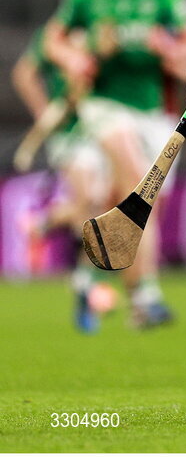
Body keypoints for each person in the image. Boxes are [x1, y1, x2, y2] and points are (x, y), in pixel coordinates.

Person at [44, 0, 186, 329]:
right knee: (138, 183)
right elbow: (52, 41)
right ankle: (147, 295)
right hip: (104, 109)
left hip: (151, 113)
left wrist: (168, 47)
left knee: (133, 202)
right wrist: (76, 58)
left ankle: (91, 282)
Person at [11, 24, 112, 332]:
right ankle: (85, 289)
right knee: (87, 201)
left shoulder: (103, 32)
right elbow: (24, 73)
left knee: (100, 210)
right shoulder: (54, 37)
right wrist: (44, 112)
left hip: (103, 129)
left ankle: (42, 225)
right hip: (69, 134)